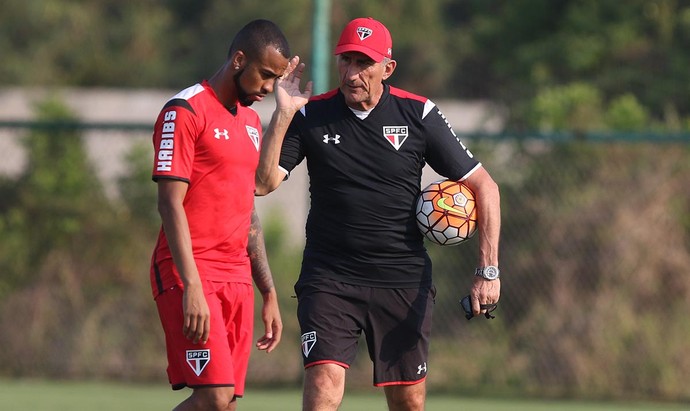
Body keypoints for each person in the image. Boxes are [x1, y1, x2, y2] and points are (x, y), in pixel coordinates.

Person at [256, 17, 501, 411]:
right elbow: (262, 183)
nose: (352, 73)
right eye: (346, 61)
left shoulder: (418, 114)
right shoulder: (311, 115)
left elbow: (486, 188)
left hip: (401, 280)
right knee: (323, 387)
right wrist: (283, 114)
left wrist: (487, 272)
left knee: (408, 404)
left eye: (363, 63)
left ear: (387, 68)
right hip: (330, 279)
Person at [149, 19, 312, 411]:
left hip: (236, 277)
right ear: (240, 59)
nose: (269, 88)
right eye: (266, 75)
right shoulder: (185, 109)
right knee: (214, 396)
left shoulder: (252, 121)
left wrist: (268, 291)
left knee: (227, 403)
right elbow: (169, 203)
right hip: (190, 271)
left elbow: (251, 196)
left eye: (276, 79)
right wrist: (192, 286)